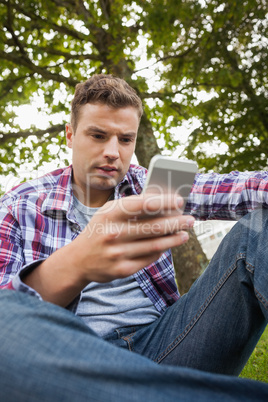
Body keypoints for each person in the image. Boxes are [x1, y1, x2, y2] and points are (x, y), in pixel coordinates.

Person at [0, 74, 267, 401]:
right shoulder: (21, 205)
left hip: (166, 346)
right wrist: (77, 264)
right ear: (70, 135)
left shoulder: (150, 186)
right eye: (98, 135)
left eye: (125, 140)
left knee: (261, 226)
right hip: (71, 358)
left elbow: (232, 189)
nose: (113, 152)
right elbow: (8, 320)